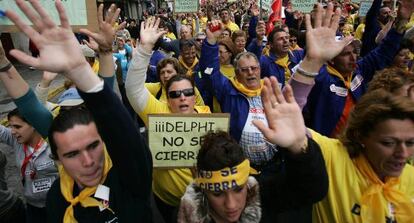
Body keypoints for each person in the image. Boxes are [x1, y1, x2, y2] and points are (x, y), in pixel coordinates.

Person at [3, 1, 152, 222]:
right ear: (57, 157)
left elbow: (108, 99)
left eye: (93, 145)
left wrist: (94, 59)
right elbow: (30, 105)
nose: (88, 161)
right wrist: (2, 63)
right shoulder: (57, 199)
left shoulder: (128, 178)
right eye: (71, 154)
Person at [177, 98, 328, 222]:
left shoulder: (261, 193)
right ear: (204, 190)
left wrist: (298, 146)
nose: (231, 205)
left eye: (238, 189)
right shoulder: (191, 210)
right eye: (217, 194)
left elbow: (312, 190)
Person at [125, 17, 211, 223]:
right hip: (165, 200)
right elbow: (133, 89)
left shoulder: (206, 115)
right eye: (174, 94)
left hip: (202, 200)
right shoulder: (158, 112)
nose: (181, 97)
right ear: (167, 97)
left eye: (187, 92)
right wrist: (145, 48)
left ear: (194, 95)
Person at [0, 108, 57, 223]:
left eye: (17, 127)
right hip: (33, 207)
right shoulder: (15, 140)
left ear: (34, 124)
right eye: (11, 127)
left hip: (58, 204)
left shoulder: (54, 143)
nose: (12, 131)